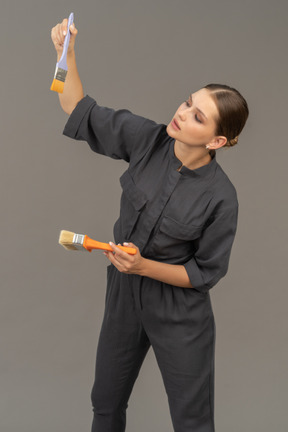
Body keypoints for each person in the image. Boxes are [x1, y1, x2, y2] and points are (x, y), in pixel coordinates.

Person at [51, 17, 249, 432]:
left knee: (192, 421)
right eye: (186, 102)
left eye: (198, 117)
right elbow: (77, 107)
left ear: (216, 141)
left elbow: (203, 273)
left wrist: (143, 266)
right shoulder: (147, 139)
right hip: (125, 294)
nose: (181, 114)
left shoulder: (221, 197)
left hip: (179, 311)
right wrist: (64, 56)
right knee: (104, 403)